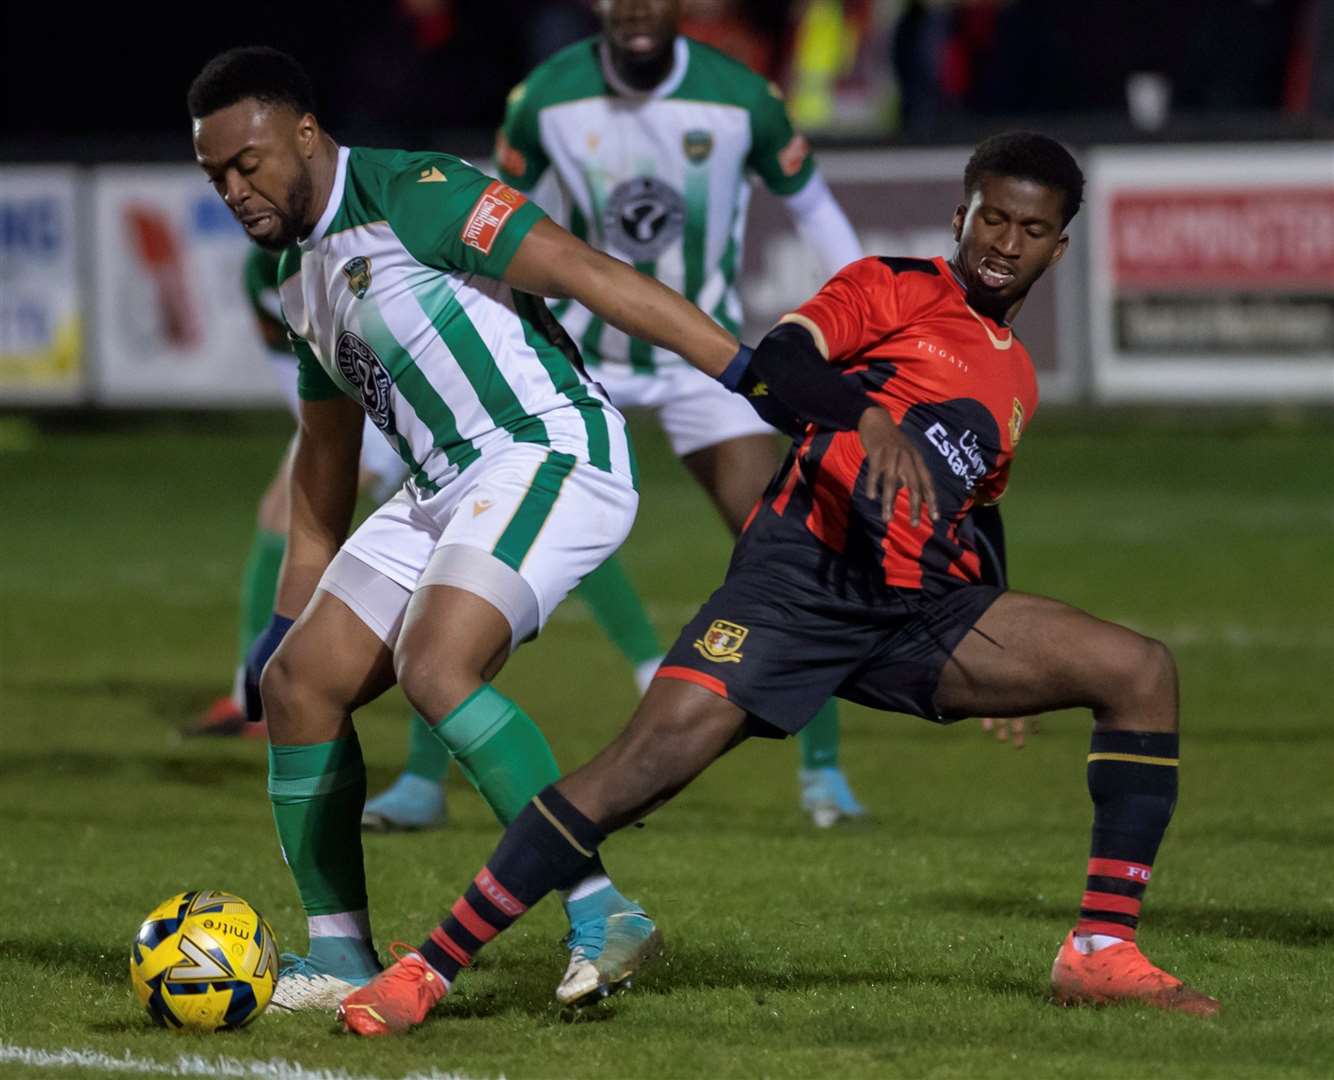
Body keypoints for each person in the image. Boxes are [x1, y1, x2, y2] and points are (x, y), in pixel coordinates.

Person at [336, 132, 1221, 1035]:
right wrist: (866, 417)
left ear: (1059, 246)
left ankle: (1100, 952)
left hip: (920, 612)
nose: (1005, 242)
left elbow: (977, 511)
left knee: (1139, 670)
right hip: (797, 586)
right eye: (992, 218)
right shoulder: (894, 287)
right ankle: (427, 969)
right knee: (637, 772)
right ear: (961, 216)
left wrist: (996, 613)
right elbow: (785, 360)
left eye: (1031, 229)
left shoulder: (1016, 378)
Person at [187, 45, 795, 1012]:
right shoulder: (297, 278)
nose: (232, 187)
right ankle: (339, 952)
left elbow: (590, 273)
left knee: (437, 664)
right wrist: (285, 618)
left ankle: (603, 913)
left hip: (548, 448)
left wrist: (747, 371)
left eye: (247, 161)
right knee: (300, 684)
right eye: (214, 173)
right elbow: (323, 467)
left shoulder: (417, 191)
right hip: (442, 484)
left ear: (305, 133)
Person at [484, 0, 871, 828]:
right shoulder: (543, 99)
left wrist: (873, 331)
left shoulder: (744, 100)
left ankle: (824, 773)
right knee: (488, 535)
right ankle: (418, 778)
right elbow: (489, 230)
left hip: (706, 361)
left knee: (788, 545)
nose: (637, 6)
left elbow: (818, 215)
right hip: (583, 357)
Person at [183, 246, 410, 740]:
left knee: (440, 577)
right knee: (279, 513)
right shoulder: (262, 272)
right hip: (338, 405)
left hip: (400, 398)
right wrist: (322, 439)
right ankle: (256, 700)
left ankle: (272, 698)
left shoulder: (351, 245)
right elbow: (296, 378)